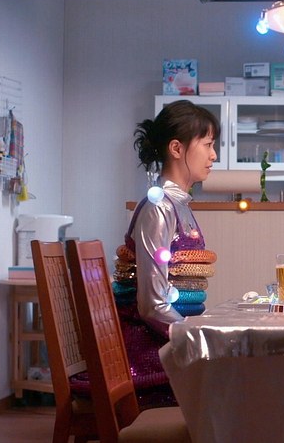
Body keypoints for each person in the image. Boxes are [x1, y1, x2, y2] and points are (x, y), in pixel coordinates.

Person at [108, 100, 220, 407]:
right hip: (151, 351)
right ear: (176, 148)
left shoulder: (177, 204)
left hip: (169, 340)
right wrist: (195, 337)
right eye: (208, 144)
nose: (213, 155)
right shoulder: (159, 208)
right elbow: (152, 305)